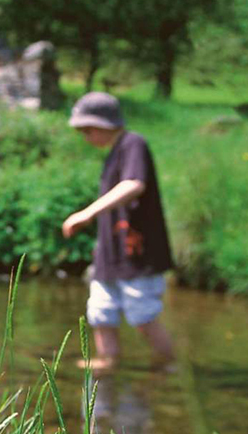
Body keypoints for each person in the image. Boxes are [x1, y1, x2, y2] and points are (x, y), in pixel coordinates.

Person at [61, 92, 176, 372]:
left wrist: (87, 213)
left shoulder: (133, 143)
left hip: (137, 253)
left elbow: (134, 185)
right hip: (110, 255)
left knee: (143, 316)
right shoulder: (113, 153)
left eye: (87, 130)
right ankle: (108, 364)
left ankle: (170, 366)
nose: (86, 137)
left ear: (103, 124)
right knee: (101, 313)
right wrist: (101, 246)